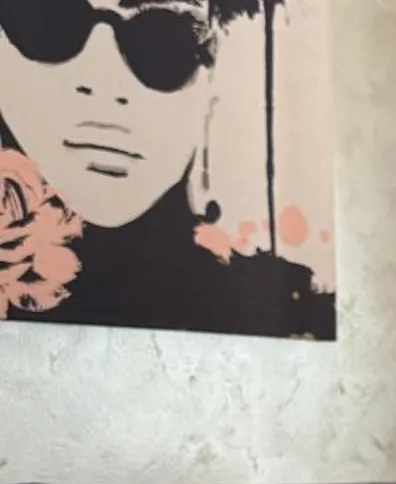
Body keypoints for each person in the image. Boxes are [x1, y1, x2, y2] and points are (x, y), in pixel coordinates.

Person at [0, 0, 334, 338]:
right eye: (50, 22)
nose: (103, 83)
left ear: (214, 81)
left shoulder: (294, 312)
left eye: (165, 39)